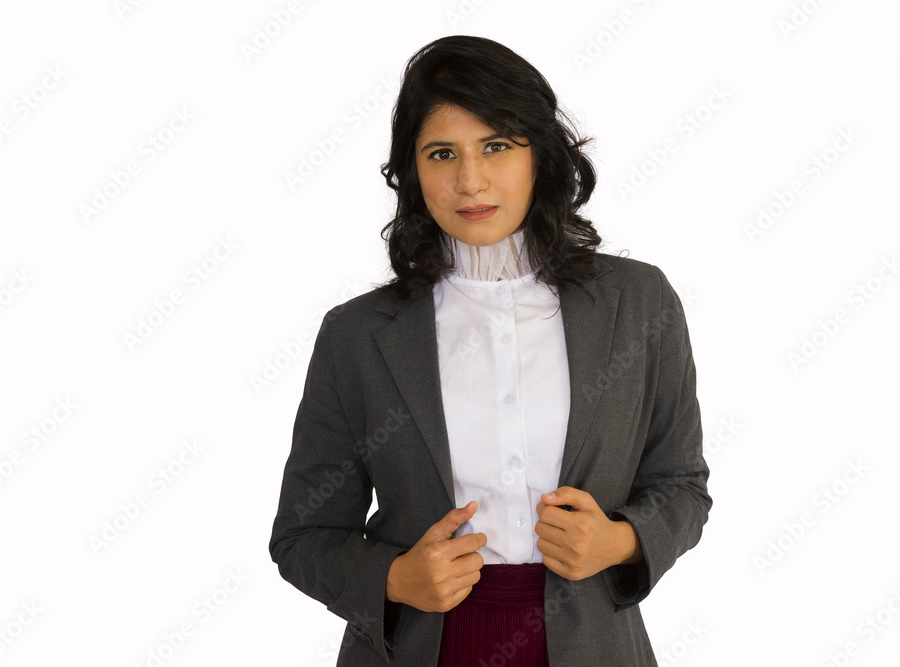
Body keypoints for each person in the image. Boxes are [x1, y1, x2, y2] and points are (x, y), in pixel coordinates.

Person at [269, 35, 711, 667]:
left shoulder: (638, 304)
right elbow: (303, 535)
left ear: (541, 155)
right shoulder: (358, 335)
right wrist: (395, 579)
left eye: (497, 145)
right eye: (442, 153)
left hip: (593, 645)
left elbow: (682, 484)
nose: (469, 180)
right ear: (413, 171)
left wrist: (618, 542)